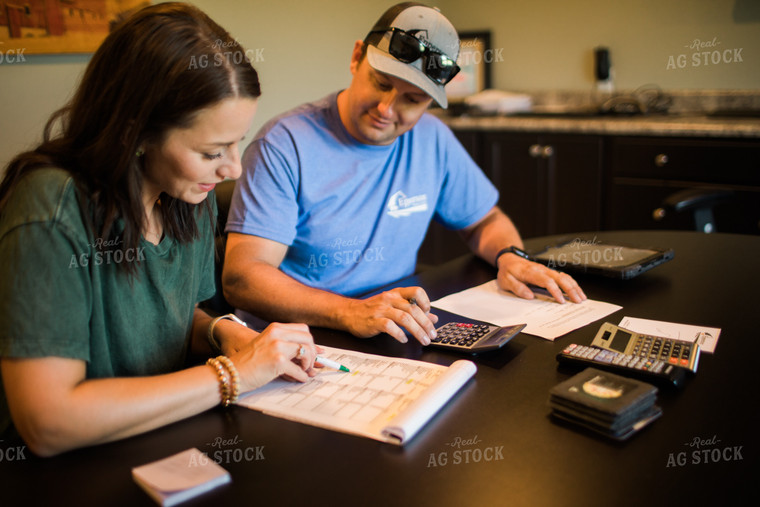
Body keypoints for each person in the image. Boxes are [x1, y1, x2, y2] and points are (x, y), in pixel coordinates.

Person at [0, 3, 320, 457]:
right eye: (212, 151)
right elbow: (49, 422)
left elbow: (166, 317)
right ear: (139, 134)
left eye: (238, 143)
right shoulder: (50, 210)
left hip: (156, 439)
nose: (233, 168)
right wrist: (235, 375)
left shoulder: (190, 196)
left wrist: (224, 334)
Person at [223, 2, 586, 347]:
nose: (386, 108)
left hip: (390, 327)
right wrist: (347, 311)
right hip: (297, 338)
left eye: (412, 99)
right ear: (355, 58)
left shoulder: (432, 139)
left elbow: (484, 220)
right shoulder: (284, 144)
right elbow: (243, 277)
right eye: (381, 83)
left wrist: (510, 256)